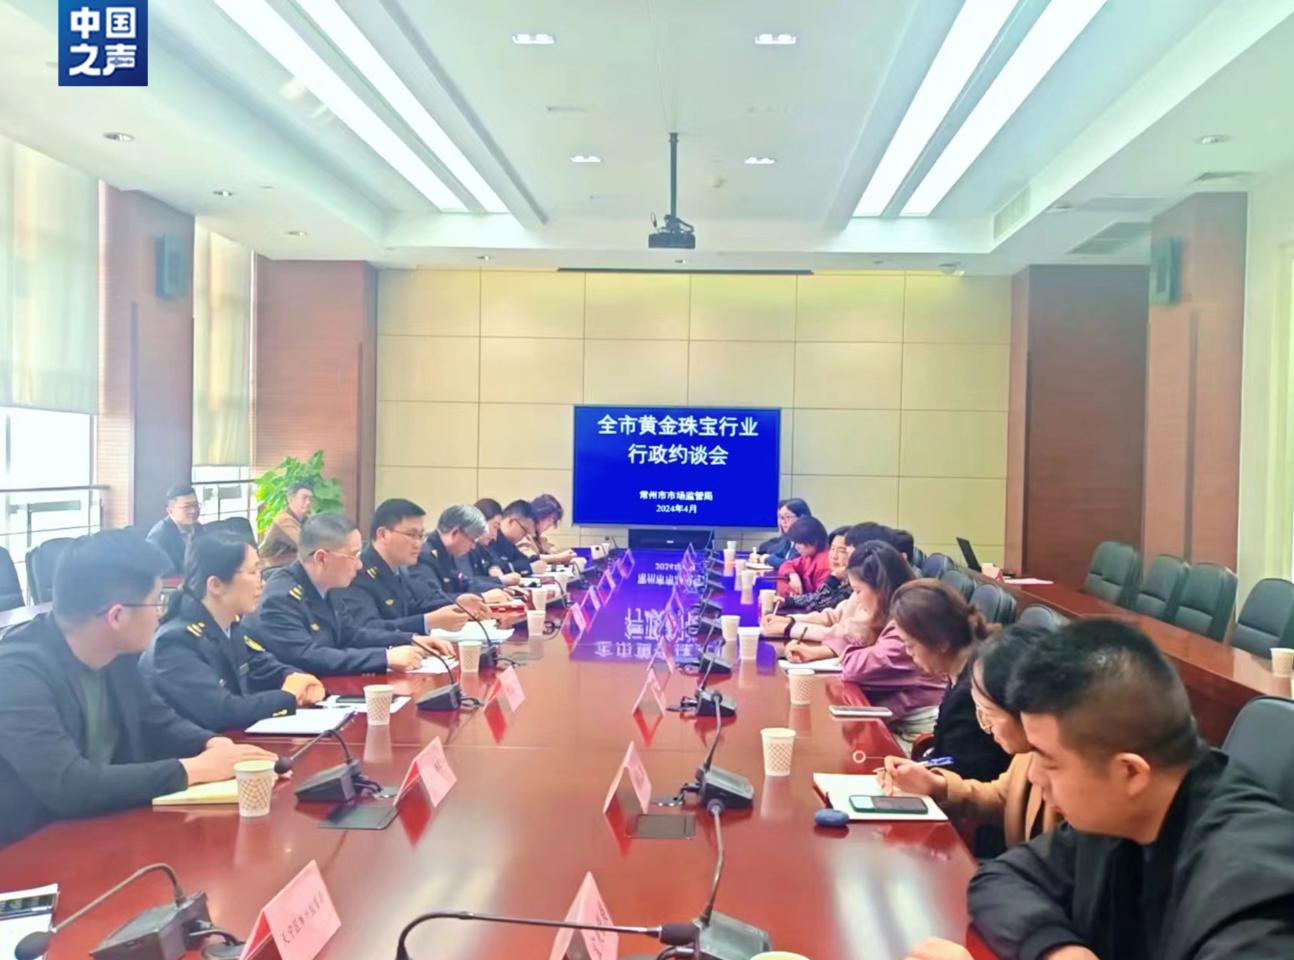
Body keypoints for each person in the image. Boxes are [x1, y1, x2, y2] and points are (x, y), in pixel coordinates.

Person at [968, 620, 1294, 960]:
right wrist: (1056, 948)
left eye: (1049, 762)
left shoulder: (1253, 899)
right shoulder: (1117, 813)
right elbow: (1001, 877)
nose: (1034, 775)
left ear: (1130, 772)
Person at [0, 530, 278, 847]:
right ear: (117, 616)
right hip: (30, 850)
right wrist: (193, 769)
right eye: (156, 601)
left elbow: (157, 719)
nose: (161, 612)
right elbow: (69, 785)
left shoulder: (117, 652)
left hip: (105, 830)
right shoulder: (16, 674)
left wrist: (211, 743)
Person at [878, 624, 1062, 846]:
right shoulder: (1027, 752)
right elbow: (1003, 797)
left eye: (988, 713)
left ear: (1025, 710)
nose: (984, 724)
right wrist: (936, 785)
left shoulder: (1076, 772)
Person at [141, 533, 326, 731]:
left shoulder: (230, 626)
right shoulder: (175, 642)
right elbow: (220, 711)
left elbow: (262, 667)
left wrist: (295, 678)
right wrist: (287, 697)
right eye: (253, 572)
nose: (262, 583)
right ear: (216, 585)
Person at [243, 514, 451, 676]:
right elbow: (308, 656)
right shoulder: (280, 599)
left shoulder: (329, 585)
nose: (359, 565)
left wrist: (411, 639)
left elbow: (352, 634)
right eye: (353, 556)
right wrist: (385, 658)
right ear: (321, 558)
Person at [784, 543, 944, 742]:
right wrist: (818, 652)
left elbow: (855, 668)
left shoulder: (907, 623)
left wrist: (863, 623)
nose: (857, 601)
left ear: (880, 589)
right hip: (897, 719)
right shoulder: (896, 612)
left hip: (917, 735)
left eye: (858, 591)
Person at [890, 579, 1010, 784]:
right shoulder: (961, 667)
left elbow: (964, 770)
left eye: (910, 645)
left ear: (941, 641)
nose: (908, 653)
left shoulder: (972, 690)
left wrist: (921, 771)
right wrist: (919, 766)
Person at [334, 498, 494, 636]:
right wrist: (427, 622)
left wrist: (457, 603)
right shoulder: (358, 572)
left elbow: (411, 608)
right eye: (412, 535)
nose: (418, 543)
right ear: (383, 534)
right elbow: (368, 628)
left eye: (421, 536)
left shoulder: (396, 569)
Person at [411, 504, 511, 605]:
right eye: (472, 540)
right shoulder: (424, 555)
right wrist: (482, 597)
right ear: (455, 533)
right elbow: (431, 599)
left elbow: (465, 584)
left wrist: (499, 588)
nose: (473, 547)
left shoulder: (447, 552)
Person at [776, 525, 853, 614]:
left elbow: (819, 603)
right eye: (832, 549)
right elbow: (816, 597)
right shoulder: (809, 557)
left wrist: (832, 579)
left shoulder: (854, 583)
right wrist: (788, 601)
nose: (834, 556)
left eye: (842, 551)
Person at [146, 484, 204, 575]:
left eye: (195, 505)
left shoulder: (199, 528)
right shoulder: (159, 537)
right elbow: (157, 573)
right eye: (187, 507)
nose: (193, 510)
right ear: (170, 511)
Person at [259, 482, 313, 569]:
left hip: (290, 565)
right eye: (304, 498)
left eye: (310, 499)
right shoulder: (283, 520)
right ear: (291, 499)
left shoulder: (307, 518)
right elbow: (306, 545)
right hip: (270, 568)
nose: (308, 502)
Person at [777, 516, 832, 597]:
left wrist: (792, 600)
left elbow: (820, 598)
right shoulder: (809, 556)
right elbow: (786, 565)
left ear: (814, 541)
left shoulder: (824, 563)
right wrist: (792, 574)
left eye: (799, 543)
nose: (796, 547)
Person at [516, 493, 576, 564]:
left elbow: (550, 553)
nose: (551, 524)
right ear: (540, 514)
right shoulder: (522, 532)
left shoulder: (540, 536)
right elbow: (528, 557)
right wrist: (559, 557)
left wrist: (563, 559)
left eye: (553, 520)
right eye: (550, 519)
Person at [488, 500, 538, 578]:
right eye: (524, 531)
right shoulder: (491, 537)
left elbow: (523, 560)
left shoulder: (508, 542)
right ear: (511, 522)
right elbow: (497, 566)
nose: (525, 537)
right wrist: (529, 567)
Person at [756, 498, 811, 568]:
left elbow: (792, 564)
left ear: (802, 518)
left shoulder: (805, 540)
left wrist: (768, 559)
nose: (783, 522)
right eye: (781, 517)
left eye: (788, 517)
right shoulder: (790, 538)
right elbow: (778, 554)